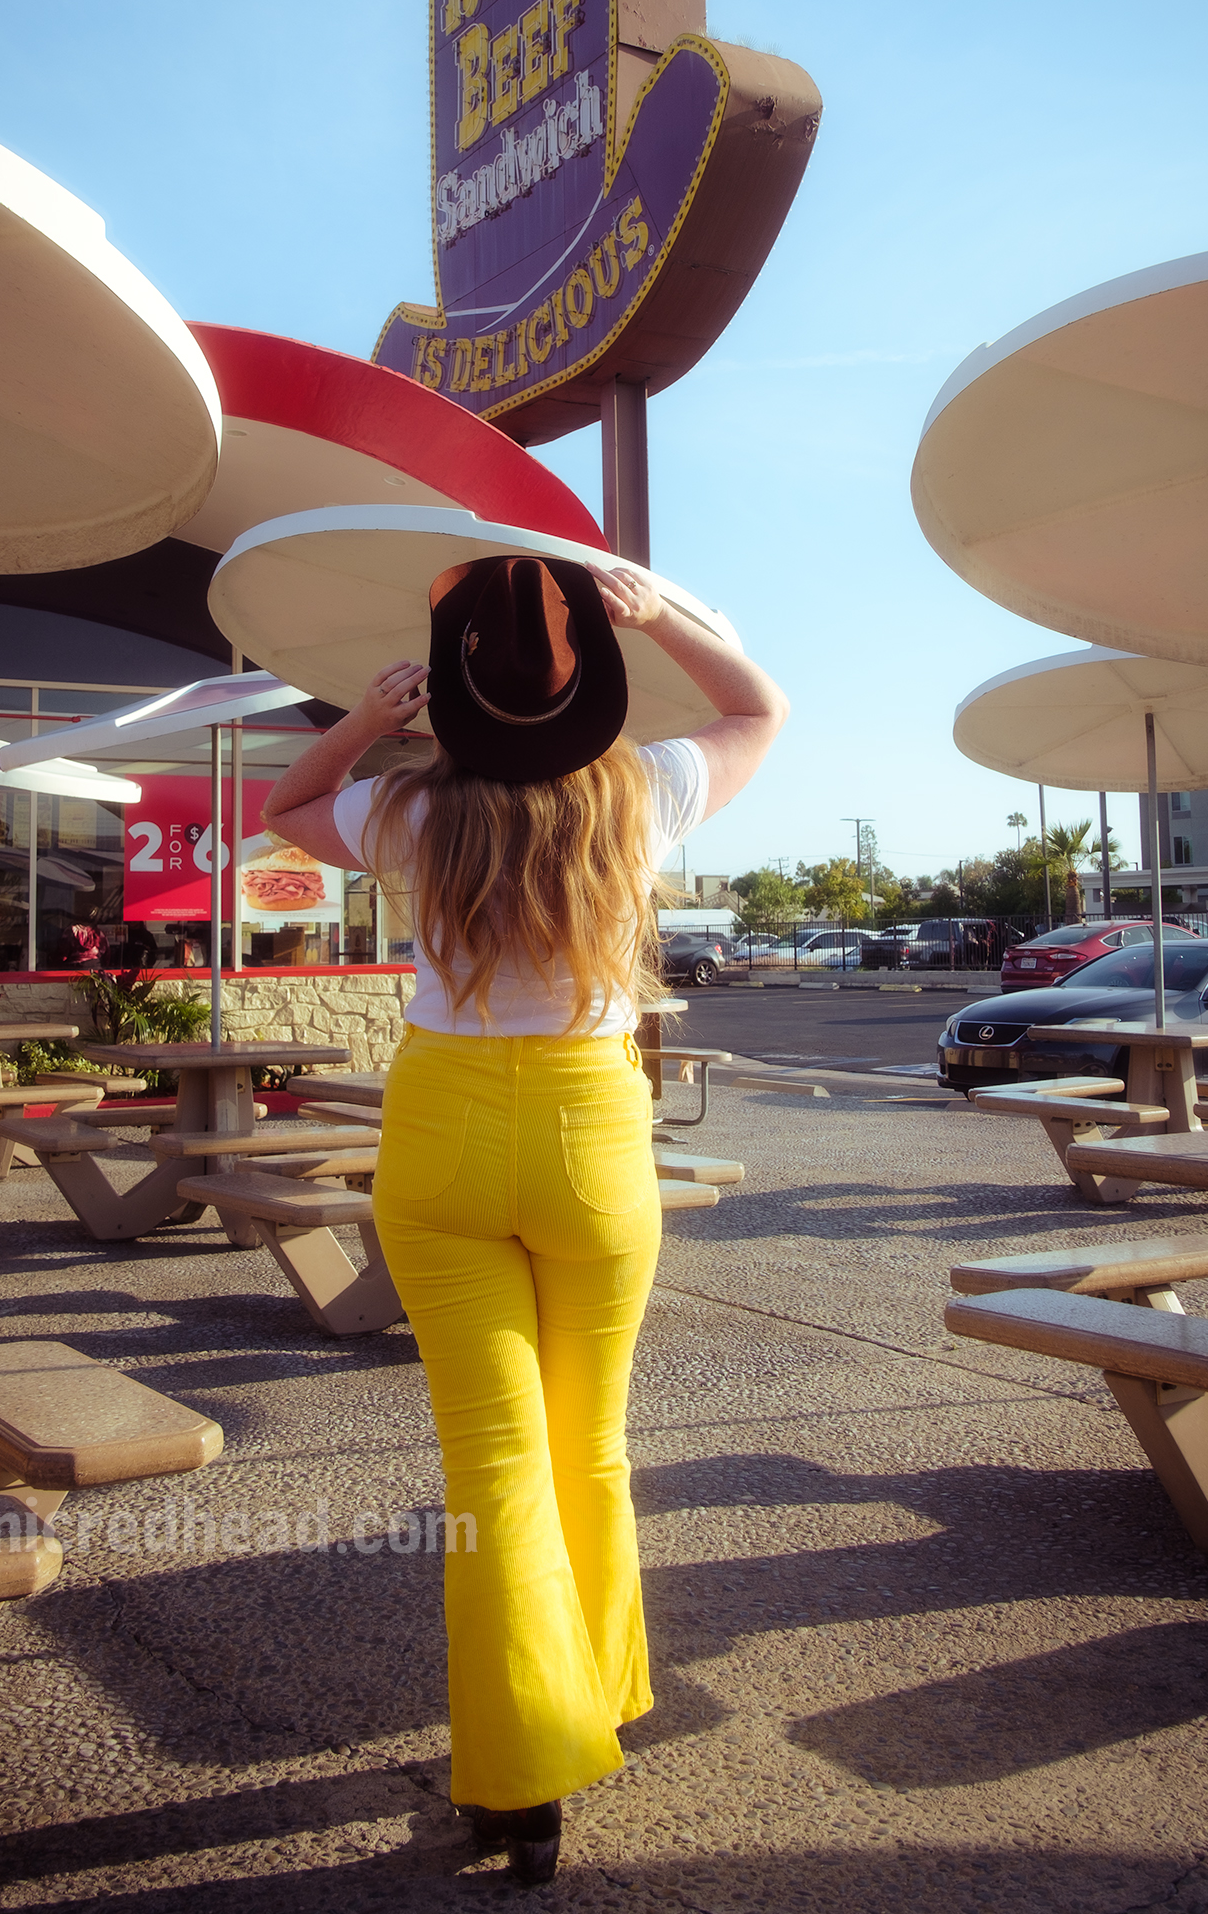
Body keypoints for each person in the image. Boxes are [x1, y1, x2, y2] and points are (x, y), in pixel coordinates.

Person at [261, 553, 786, 1884]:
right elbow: (760, 711)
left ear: (455, 695)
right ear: (590, 689)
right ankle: (594, 1699)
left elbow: (287, 805)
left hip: (437, 1140)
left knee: (493, 1473)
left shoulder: (404, 813)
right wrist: (667, 615)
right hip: (591, 1140)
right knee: (590, 1452)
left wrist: (372, 718)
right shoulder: (645, 792)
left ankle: (517, 1780)